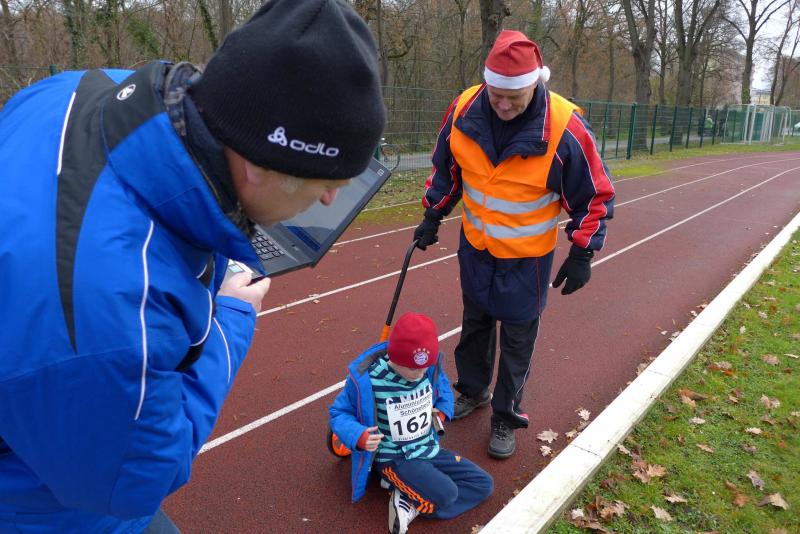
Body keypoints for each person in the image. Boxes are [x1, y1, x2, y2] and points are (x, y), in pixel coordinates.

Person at [0, 0, 385, 532]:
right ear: (257, 165)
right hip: (41, 507)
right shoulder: (119, 317)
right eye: (328, 183)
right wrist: (232, 317)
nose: (329, 202)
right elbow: (135, 480)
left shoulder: (80, 87)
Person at [413, 30, 615, 459]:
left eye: (514, 98)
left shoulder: (565, 127)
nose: (503, 105)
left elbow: (594, 194)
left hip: (527, 258)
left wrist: (583, 251)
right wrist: (433, 214)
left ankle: (506, 415)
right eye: (496, 96)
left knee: (517, 340)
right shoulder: (464, 109)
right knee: (475, 325)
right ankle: (473, 391)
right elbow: (447, 169)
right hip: (476, 246)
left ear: (535, 85)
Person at [329, 313, 494, 534]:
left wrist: (442, 412)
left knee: (484, 484)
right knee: (447, 494)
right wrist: (359, 436)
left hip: (428, 449)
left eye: (425, 368)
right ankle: (412, 495)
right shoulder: (368, 380)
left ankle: (410, 500)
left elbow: (443, 389)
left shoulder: (429, 369)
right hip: (396, 458)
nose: (420, 374)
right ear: (395, 358)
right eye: (413, 369)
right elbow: (339, 413)